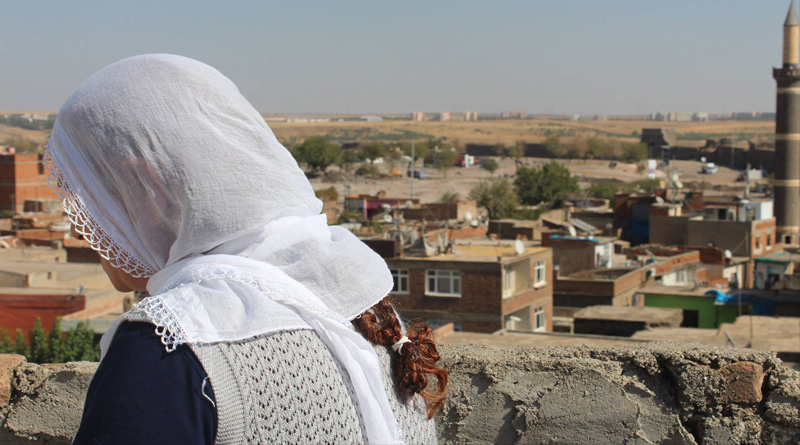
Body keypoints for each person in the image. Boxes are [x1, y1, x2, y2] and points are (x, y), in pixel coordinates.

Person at [45, 54, 447, 444]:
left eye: (86, 197)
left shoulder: (170, 347)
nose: (81, 230)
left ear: (146, 184)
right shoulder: (360, 298)